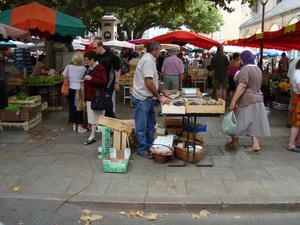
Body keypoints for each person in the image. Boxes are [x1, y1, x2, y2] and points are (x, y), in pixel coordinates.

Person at [226, 50, 271, 153]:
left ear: (243, 59)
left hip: (246, 99)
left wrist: (233, 101)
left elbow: (242, 85)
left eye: (241, 59)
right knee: (255, 121)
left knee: (237, 120)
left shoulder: (245, 69)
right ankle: (256, 144)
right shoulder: (258, 69)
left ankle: (234, 142)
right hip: (259, 98)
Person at [131, 41, 170, 159]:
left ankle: (149, 145)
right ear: (155, 50)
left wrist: (163, 92)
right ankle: (142, 149)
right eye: (159, 51)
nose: (160, 53)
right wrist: (160, 97)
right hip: (142, 99)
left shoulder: (150, 59)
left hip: (147, 99)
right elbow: (149, 83)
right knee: (142, 126)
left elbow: (154, 81)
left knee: (150, 124)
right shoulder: (148, 61)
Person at [81, 51, 107, 145]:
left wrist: (91, 79)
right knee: (92, 117)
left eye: (87, 60)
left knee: (96, 117)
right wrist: (85, 81)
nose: (86, 62)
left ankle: (93, 136)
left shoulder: (100, 68)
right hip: (91, 96)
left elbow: (104, 82)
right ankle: (93, 135)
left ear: (93, 59)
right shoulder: (91, 68)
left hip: (96, 97)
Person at [92, 37, 121, 119]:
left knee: (107, 104)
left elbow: (118, 69)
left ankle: (113, 121)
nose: (94, 50)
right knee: (99, 104)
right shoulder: (95, 57)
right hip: (98, 84)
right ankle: (104, 123)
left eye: (95, 48)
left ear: (101, 46)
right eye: (93, 48)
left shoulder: (111, 56)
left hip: (109, 84)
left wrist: (116, 82)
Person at [62, 52, 87, 133]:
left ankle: (74, 124)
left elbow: (64, 75)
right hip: (79, 89)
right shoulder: (83, 68)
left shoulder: (68, 67)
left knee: (71, 107)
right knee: (80, 108)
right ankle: (80, 125)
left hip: (70, 89)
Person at [286, 59, 300, 152]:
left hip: (297, 98)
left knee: (298, 123)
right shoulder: (298, 73)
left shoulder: (297, 72)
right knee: (297, 122)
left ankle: (298, 142)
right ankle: (291, 144)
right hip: (299, 98)